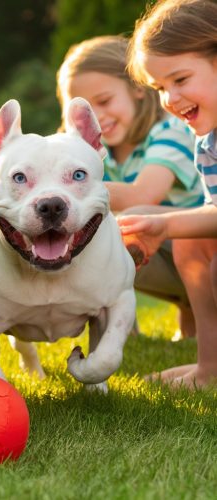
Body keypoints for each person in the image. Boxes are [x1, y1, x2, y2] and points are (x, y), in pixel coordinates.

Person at [56, 34, 204, 339]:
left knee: (130, 218)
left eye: (105, 101)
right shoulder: (97, 152)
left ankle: (195, 309)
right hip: (170, 253)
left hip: (202, 249)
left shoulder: (170, 131)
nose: (98, 117)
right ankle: (121, 328)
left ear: (138, 89)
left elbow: (145, 194)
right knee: (94, 230)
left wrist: (68, 189)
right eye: (84, 110)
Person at [118, 0, 217, 388]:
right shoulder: (207, 141)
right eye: (161, 87)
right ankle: (209, 367)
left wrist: (166, 222)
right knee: (191, 246)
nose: (171, 100)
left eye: (180, 79)